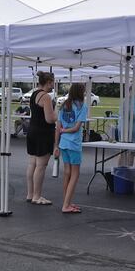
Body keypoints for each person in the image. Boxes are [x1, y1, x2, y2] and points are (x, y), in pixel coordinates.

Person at [54, 83, 88, 213]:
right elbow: (76, 128)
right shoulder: (82, 107)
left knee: (67, 173)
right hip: (74, 144)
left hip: (63, 144)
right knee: (75, 174)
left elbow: (58, 128)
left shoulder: (64, 105)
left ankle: (66, 202)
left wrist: (56, 145)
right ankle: (66, 205)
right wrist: (65, 130)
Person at [26, 71, 58, 205]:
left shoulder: (34, 94)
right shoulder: (46, 97)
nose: (53, 85)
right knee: (41, 166)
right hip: (42, 134)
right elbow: (49, 119)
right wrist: (59, 115)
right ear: (49, 82)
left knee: (32, 164)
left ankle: (30, 194)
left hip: (32, 131)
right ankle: (37, 196)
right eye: (53, 82)